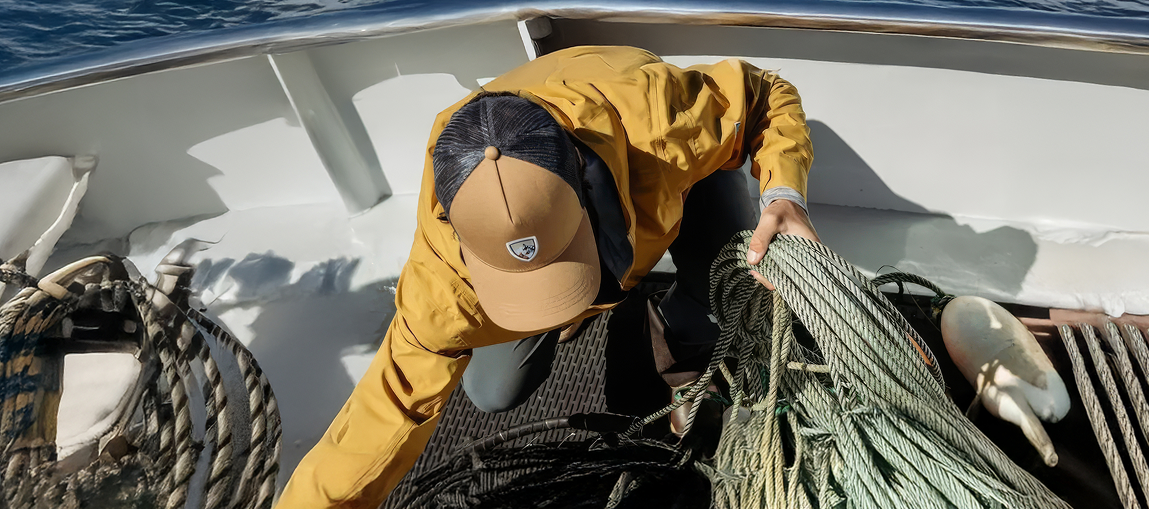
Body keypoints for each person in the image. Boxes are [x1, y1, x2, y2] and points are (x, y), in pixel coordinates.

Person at [277, 45, 816, 508]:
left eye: (560, 263)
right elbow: (380, 418)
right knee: (492, 390)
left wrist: (784, 196)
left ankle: (681, 333)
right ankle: (561, 305)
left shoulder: (661, 122)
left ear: (588, 187)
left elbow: (764, 93)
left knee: (737, 282)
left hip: (665, 170)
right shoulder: (440, 281)